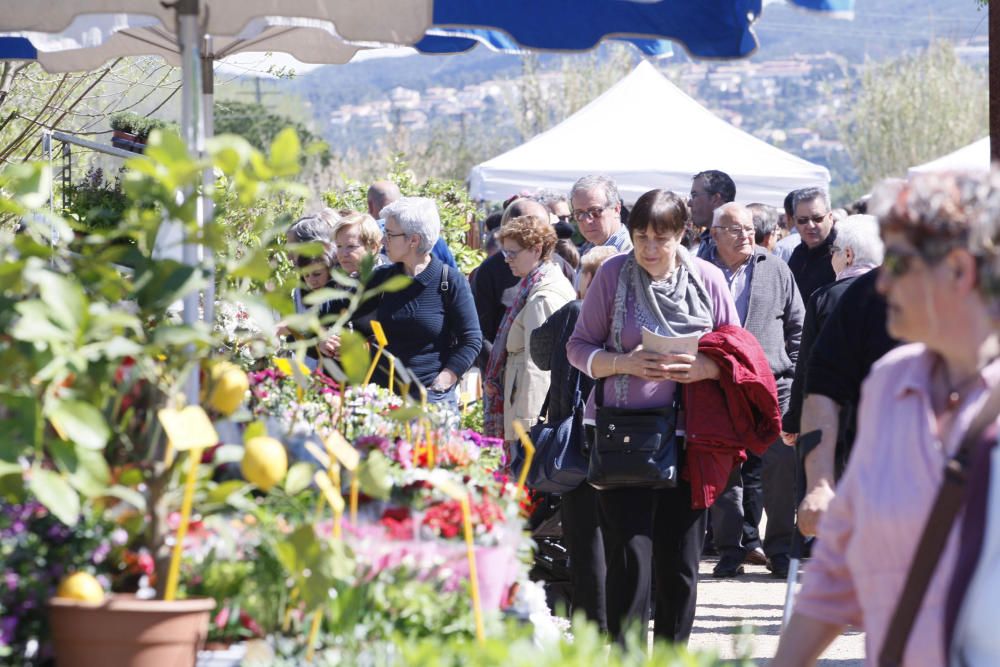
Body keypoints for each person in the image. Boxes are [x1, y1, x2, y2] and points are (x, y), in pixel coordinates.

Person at [772, 172, 1000, 667]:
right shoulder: (891, 385)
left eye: (898, 262)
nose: (883, 282)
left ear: (959, 271)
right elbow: (837, 566)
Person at [567, 189, 740, 643]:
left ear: (682, 234)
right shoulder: (611, 275)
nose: (648, 249)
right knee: (629, 562)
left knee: (680, 564)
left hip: (691, 438)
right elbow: (577, 347)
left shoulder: (707, 278)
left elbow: (739, 355)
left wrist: (702, 367)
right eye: (640, 236)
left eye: (660, 239)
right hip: (623, 436)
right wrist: (623, 362)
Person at [705, 203, 804, 579]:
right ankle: (731, 550)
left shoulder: (775, 267)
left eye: (749, 228)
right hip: (720, 384)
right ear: (714, 234)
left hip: (774, 384)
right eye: (734, 229)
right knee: (725, 470)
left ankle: (779, 549)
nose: (746, 234)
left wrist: (792, 372)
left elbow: (798, 326)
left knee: (780, 469)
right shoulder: (700, 270)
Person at [529, 245, 618, 632]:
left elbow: (539, 353)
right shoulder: (624, 318)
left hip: (576, 441)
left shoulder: (573, 312)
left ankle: (591, 622)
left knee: (585, 536)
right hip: (619, 438)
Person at [324, 196, 481, 404]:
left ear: (413, 240)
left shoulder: (450, 281)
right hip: (383, 400)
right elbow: (343, 320)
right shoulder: (379, 279)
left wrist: (443, 381)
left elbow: (471, 340)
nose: (383, 240)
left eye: (389, 234)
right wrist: (331, 339)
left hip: (430, 400)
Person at [783, 215, 884, 452]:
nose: (831, 257)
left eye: (834, 251)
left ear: (848, 255)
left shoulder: (825, 297)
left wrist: (794, 419)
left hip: (833, 419)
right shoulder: (900, 296)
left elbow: (807, 363)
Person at [483, 214, 575, 453]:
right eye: (505, 253)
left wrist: (526, 429)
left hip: (527, 417)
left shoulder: (543, 296)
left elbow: (538, 368)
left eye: (512, 253)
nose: (507, 260)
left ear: (536, 250)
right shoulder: (534, 285)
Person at [367, 180, 458, 269]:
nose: (383, 241)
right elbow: (454, 273)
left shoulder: (367, 237)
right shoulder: (435, 239)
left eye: (389, 235)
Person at [787, 187, 838, 302]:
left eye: (817, 218)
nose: (810, 225)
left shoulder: (841, 253)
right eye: (802, 220)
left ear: (830, 218)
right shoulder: (797, 253)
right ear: (795, 221)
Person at [570, 175, 633, 255]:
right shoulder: (586, 251)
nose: (586, 221)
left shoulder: (632, 254)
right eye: (579, 213)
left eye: (595, 212)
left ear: (617, 209)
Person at [688, 170, 736, 259]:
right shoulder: (707, 239)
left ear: (715, 199)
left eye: (694, 195)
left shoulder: (736, 243)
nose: (689, 203)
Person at [331, 211, 384, 277]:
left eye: (351, 246)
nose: (343, 254)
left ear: (372, 248)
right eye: (339, 246)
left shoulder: (384, 280)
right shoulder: (338, 280)